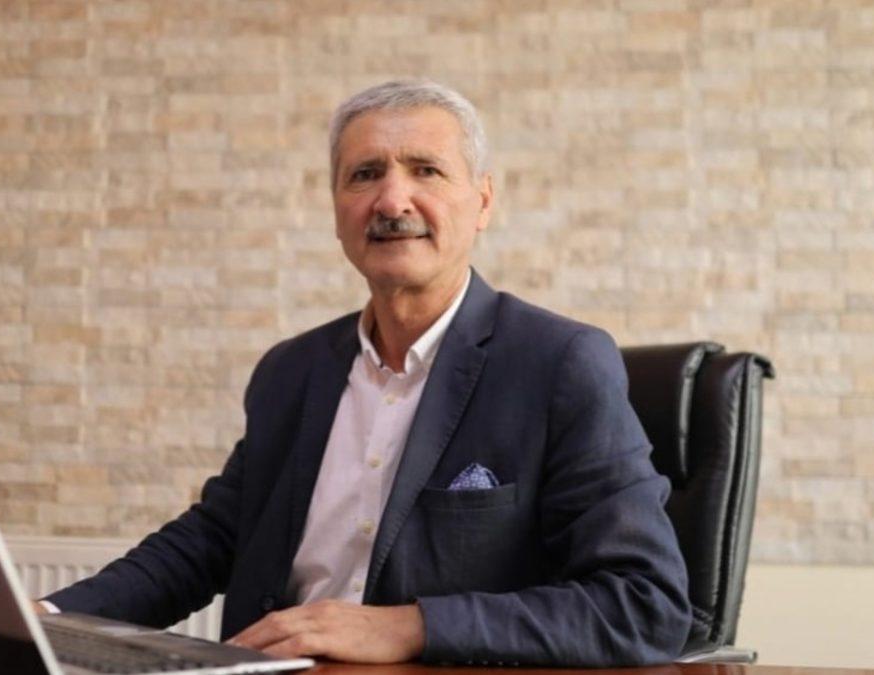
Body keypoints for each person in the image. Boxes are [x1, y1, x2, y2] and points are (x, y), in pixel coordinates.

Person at [40, 80, 691, 667]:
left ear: (483, 201)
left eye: (426, 170)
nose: (392, 198)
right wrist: (48, 617)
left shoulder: (559, 363)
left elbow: (645, 603)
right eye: (365, 174)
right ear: (336, 209)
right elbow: (210, 541)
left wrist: (410, 627)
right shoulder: (290, 371)